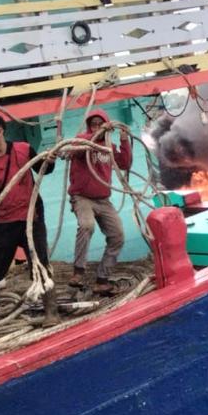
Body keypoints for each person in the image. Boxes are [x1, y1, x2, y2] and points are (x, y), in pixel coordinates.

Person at [0, 113, 56, 315]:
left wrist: (50, 159)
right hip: (4, 222)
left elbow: (44, 170)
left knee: (41, 267)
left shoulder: (23, 149)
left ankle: (51, 312)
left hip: (32, 219)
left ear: (0, 130)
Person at [67, 109, 132, 294]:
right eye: (93, 124)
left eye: (100, 124)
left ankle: (102, 279)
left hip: (103, 200)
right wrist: (96, 134)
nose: (97, 127)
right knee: (86, 225)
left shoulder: (109, 146)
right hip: (82, 197)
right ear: (89, 126)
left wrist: (124, 140)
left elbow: (125, 163)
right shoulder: (81, 139)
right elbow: (75, 150)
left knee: (117, 235)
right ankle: (78, 272)